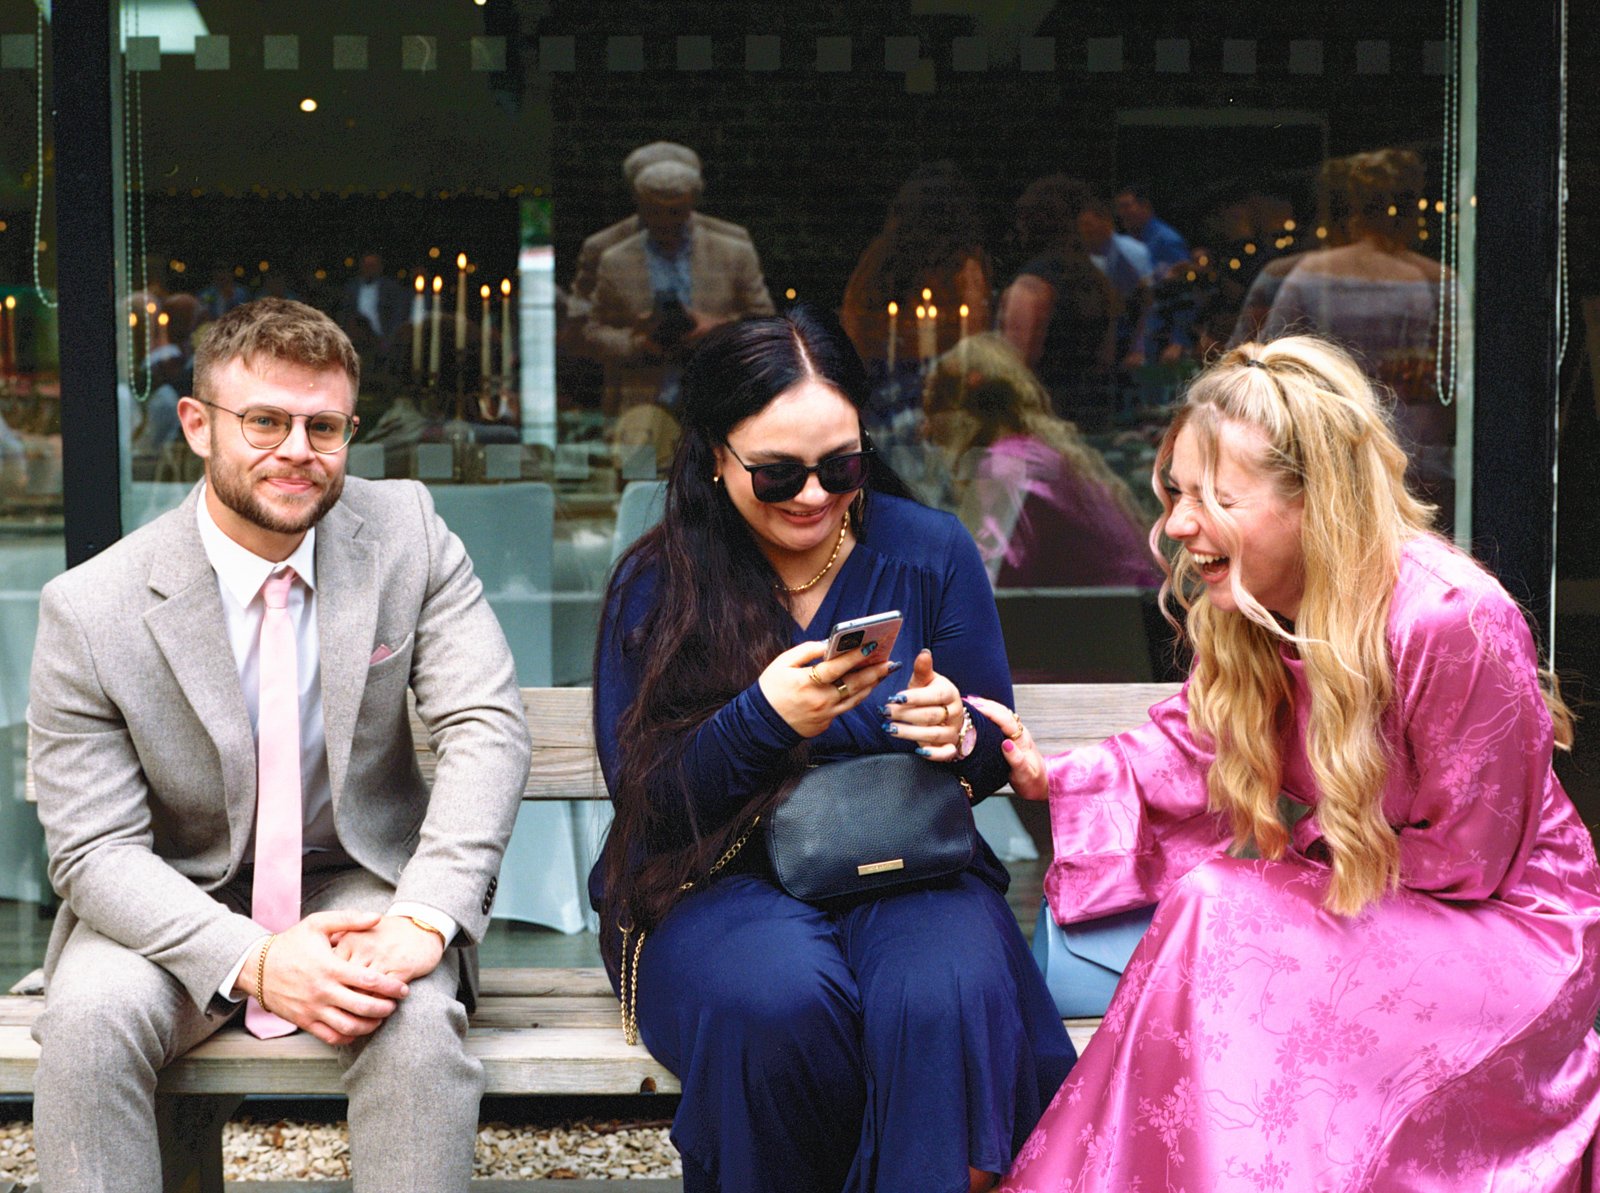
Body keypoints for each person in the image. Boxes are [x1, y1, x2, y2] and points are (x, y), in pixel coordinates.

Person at [967, 335, 1600, 1191]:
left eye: (1218, 496)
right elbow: (1199, 743)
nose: (1180, 524)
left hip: (1513, 931)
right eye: (1178, 492)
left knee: (1223, 908)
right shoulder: (1256, 604)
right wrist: (1055, 776)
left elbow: (1472, 859)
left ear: (1315, 500)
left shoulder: (1450, 619)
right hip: (1374, 894)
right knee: (1220, 911)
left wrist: (1290, 875)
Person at [27, 298, 533, 1192]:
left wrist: (424, 915)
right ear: (196, 424)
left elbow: (485, 725)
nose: (298, 448)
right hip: (174, 893)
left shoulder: (406, 536)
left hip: (359, 880)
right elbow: (95, 850)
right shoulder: (93, 607)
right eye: (265, 419)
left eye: (324, 425)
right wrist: (258, 960)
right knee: (89, 1020)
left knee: (412, 1024)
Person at [589, 309, 1075, 1193]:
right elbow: (648, 802)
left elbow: (990, 750)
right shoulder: (660, 583)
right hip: (714, 878)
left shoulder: (927, 551)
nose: (813, 495)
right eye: (776, 473)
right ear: (713, 457)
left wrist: (958, 732)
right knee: (776, 1001)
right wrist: (764, 718)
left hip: (908, 864)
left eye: (840, 466)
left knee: (940, 997)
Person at [1260, 147, 1454, 526]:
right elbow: (1458, 379)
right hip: (1414, 455)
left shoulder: (1300, 274)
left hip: (1331, 452)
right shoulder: (1437, 279)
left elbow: (1266, 373)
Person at [922, 332, 1158, 592]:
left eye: (931, 411)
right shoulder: (1030, 452)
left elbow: (989, 588)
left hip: (1109, 623)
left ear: (957, 412)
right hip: (1124, 614)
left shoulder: (1006, 465)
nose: (925, 431)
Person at [584, 159, 775, 412]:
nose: (665, 221)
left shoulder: (733, 253)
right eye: (654, 211)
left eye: (675, 212)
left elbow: (766, 323)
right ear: (640, 207)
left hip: (720, 400)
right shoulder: (616, 261)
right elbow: (593, 334)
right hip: (642, 408)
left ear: (691, 206)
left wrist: (716, 327)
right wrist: (637, 343)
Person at [568, 140, 753, 323]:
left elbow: (758, 314)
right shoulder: (601, 246)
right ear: (637, 194)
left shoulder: (733, 241)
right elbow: (582, 318)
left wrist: (716, 327)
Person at [995, 174, 1118, 428]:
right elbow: (1106, 356)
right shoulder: (1095, 278)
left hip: (1043, 426)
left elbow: (1014, 369)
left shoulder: (1032, 284)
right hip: (1090, 423)